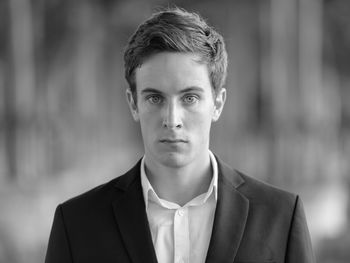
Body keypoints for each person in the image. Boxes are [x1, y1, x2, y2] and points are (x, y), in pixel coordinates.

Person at [45, 7, 315, 263]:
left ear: (217, 104)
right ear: (133, 103)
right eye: (154, 98)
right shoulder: (77, 224)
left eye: (189, 97)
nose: (172, 120)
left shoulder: (281, 216)